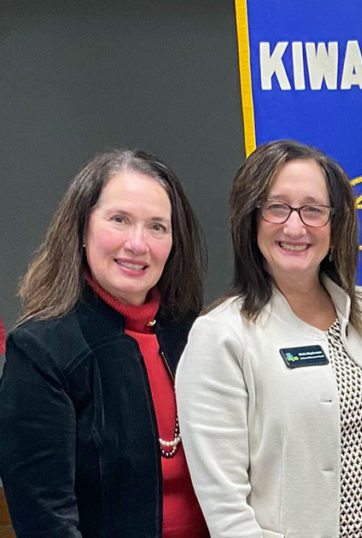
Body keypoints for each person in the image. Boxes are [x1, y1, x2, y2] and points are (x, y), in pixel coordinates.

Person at [175, 139, 362, 537]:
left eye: (313, 210)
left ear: (336, 226)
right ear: (251, 220)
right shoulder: (220, 337)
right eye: (277, 207)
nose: (295, 226)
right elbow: (229, 516)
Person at [0, 150, 207, 538]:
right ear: (82, 228)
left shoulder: (198, 334)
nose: (137, 243)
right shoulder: (39, 352)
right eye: (119, 219)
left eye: (157, 227)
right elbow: (46, 519)